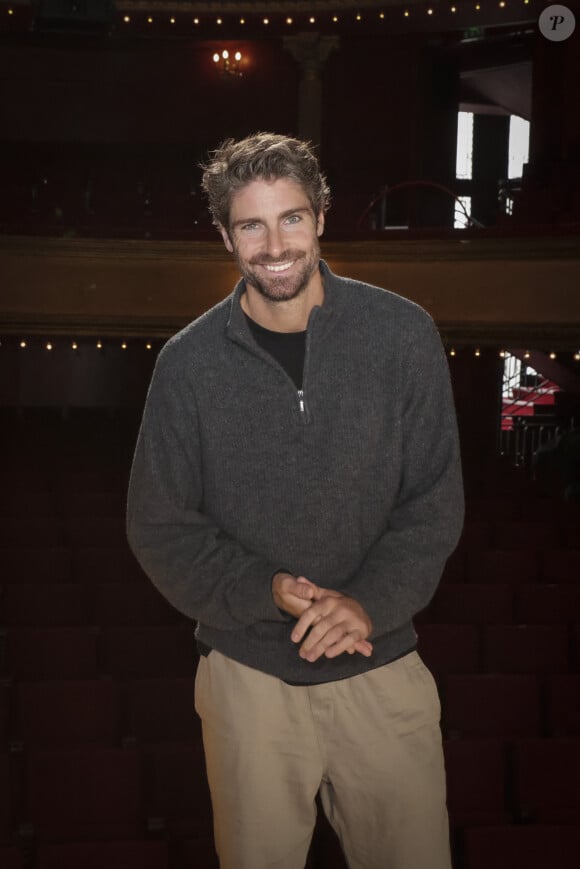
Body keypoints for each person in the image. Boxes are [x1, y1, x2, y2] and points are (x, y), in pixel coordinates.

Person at [127, 132, 464, 869]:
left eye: (291, 219)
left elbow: (433, 503)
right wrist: (267, 589)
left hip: (382, 667)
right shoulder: (186, 365)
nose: (274, 244)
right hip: (248, 678)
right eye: (251, 224)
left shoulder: (403, 335)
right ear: (224, 235)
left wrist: (367, 601)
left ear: (321, 219)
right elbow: (161, 527)